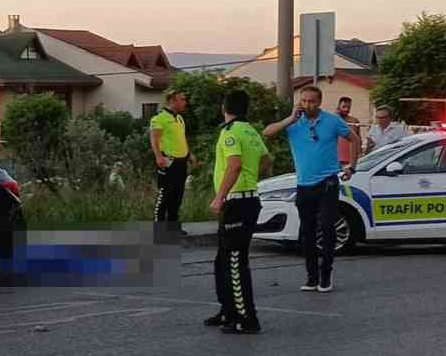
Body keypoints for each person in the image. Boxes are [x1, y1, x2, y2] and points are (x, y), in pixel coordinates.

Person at [264, 84, 355, 293]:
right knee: (307, 231)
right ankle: (312, 277)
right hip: (304, 184)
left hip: (327, 182)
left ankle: (326, 274)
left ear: (319, 102)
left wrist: (351, 166)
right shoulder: (294, 122)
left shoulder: (332, 121)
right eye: (303, 101)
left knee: (327, 226)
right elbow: (267, 132)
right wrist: (290, 118)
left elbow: (354, 139)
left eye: (311, 101)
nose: (307, 105)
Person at [204, 90, 270, 335]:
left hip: (237, 202)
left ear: (224, 108)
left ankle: (247, 318)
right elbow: (266, 160)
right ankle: (228, 310)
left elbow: (234, 165)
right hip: (248, 200)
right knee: (222, 259)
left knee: (234, 261)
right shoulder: (251, 131)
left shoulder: (229, 132)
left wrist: (219, 196)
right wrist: (251, 177)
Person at [149, 90, 193, 232]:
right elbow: (154, 139)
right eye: (182, 99)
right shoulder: (159, 118)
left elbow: (182, 138)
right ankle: (159, 228)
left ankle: (173, 226)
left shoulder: (179, 118)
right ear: (172, 101)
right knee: (165, 195)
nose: (185, 102)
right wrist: (158, 156)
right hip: (168, 162)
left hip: (181, 163)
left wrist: (190, 154)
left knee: (177, 195)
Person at [334, 96, 362, 172]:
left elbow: (358, 139)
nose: (346, 109)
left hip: (350, 159)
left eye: (348, 107)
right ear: (338, 106)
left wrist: (359, 154)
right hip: (335, 159)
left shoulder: (354, 121)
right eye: (344, 107)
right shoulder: (334, 120)